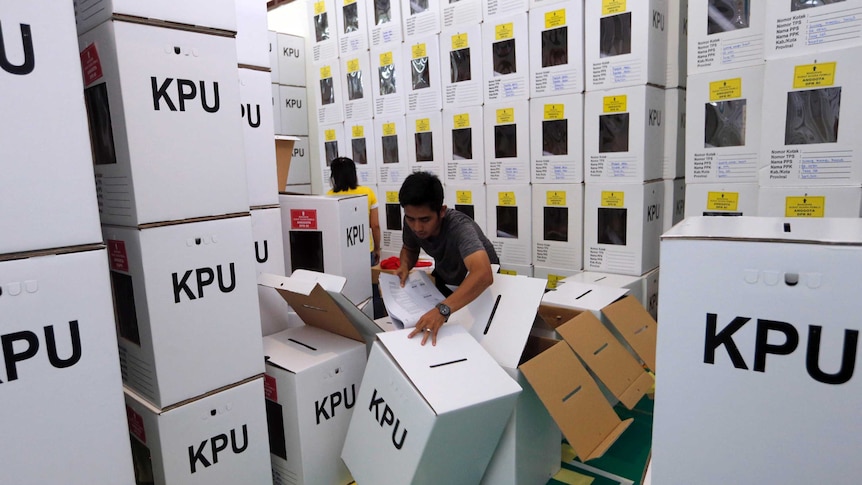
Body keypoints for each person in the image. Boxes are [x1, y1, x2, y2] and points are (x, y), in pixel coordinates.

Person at [395, 171, 499, 346]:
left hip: (481, 288)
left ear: (442, 211)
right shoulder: (412, 223)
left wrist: (442, 310)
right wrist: (404, 266)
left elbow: (483, 275)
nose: (417, 227)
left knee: (475, 342)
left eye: (425, 219)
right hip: (447, 278)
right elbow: (409, 248)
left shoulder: (460, 227)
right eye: (411, 219)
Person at [327, 157, 382, 265]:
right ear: (354, 174)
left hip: (342, 252)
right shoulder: (367, 192)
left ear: (334, 176)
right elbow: (375, 225)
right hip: (365, 249)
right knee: (368, 281)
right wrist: (377, 248)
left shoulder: (329, 196)